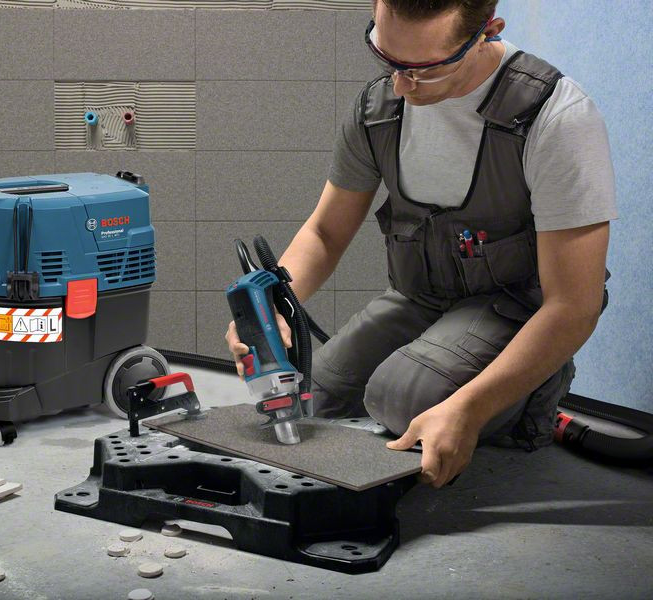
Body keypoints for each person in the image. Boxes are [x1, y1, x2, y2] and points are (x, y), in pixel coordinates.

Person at [225, 0, 617, 489]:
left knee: (401, 398)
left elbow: (574, 306)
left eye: (424, 69)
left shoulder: (555, 117)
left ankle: (530, 405)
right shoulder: (377, 110)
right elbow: (325, 233)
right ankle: (440, 375)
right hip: (422, 299)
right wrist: (272, 310)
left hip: (516, 307)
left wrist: (469, 408)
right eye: (386, 58)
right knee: (311, 396)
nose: (400, 86)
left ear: (488, 32)